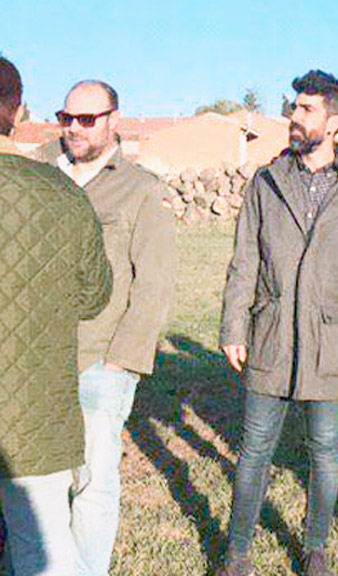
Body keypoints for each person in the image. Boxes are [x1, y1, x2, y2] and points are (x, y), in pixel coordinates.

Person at [218, 70, 338, 576]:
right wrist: (233, 327)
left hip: (332, 343)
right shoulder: (266, 182)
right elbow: (244, 261)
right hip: (269, 335)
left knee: (325, 452)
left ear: (334, 123)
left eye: (306, 110)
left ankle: (315, 545)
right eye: (294, 108)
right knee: (253, 450)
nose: (293, 118)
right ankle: (237, 553)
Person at [34, 79, 177, 576]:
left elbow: (154, 283)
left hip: (99, 359)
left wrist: (121, 362)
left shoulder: (141, 189)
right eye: (65, 117)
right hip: (37, 361)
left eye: (86, 119)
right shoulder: (41, 174)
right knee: (43, 482)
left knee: (92, 481)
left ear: (114, 119)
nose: (73, 128)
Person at [0, 56, 113, 576]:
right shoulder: (62, 194)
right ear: (18, 111)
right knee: (40, 551)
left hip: (28, 419)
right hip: (31, 413)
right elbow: (93, 297)